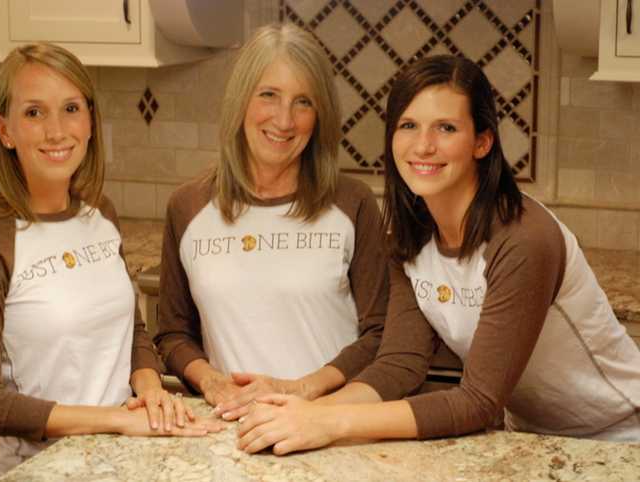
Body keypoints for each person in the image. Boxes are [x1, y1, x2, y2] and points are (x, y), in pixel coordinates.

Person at [236, 55, 640, 454]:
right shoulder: (408, 238)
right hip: (535, 439)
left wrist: (326, 421)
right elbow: (399, 364)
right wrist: (304, 413)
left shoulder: (524, 240)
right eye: (408, 126)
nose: (423, 146)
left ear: (482, 142)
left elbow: (478, 401)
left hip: (621, 436)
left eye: (446, 128)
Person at [0, 43, 220, 480]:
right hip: (44, 469)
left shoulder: (100, 213)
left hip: (126, 461)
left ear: (90, 121)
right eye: (34, 112)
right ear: (4, 130)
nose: (56, 131)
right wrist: (114, 420)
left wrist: (149, 388)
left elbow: (132, 330)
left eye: (70, 108)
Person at [154, 23, 388, 419]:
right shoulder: (188, 207)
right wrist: (212, 382)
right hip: (235, 433)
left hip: (329, 426)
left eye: (303, 102)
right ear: (241, 101)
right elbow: (173, 334)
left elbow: (381, 335)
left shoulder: (353, 204)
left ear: (320, 116)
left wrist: (300, 391)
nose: (284, 120)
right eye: (269, 95)